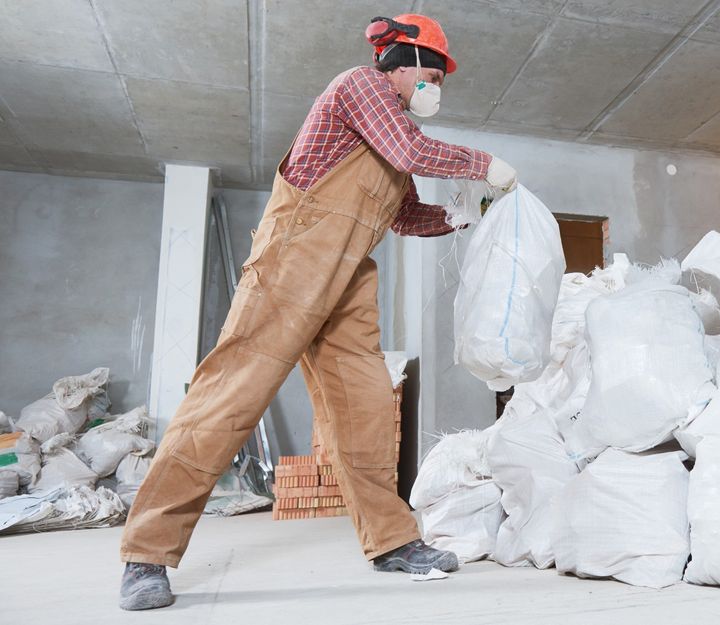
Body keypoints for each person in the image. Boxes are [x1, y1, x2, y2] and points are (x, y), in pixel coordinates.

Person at [117, 14, 516, 611]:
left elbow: (405, 217)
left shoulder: (393, 132)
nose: (436, 88)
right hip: (293, 262)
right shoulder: (362, 88)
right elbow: (409, 148)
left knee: (366, 414)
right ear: (401, 63)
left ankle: (391, 542)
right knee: (229, 401)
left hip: (349, 278)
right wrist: (482, 164)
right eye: (432, 75)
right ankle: (146, 554)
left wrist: (463, 215)